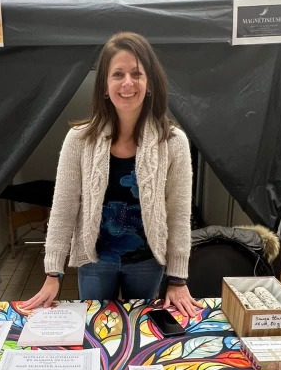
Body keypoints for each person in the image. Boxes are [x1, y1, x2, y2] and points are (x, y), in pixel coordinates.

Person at [21, 32, 200, 315]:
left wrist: (178, 278)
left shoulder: (173, 142)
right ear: (104, 85)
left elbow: (178, 212)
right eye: (117, 74)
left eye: (136, 74)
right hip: (95, 262)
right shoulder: (78, 140)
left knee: (140, 334)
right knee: (95, 335)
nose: (127, 83)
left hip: (147, 262)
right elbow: (64, 207)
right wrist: (52, 272)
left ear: (150, 83)